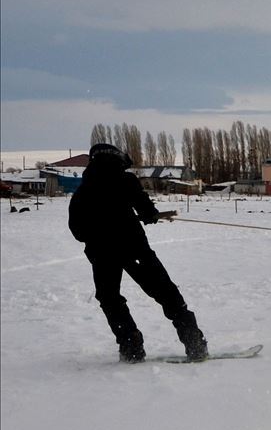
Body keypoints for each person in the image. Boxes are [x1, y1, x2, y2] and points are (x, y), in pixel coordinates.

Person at [68, 143, 208, 363]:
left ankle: (131, 346)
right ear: (117, 159)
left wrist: (97, 236)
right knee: (166, 294)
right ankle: (195, 344)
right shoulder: (126, 180)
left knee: (110, 299)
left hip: (102, 254)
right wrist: (149, 215)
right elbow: (146, 210)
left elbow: (76, 230)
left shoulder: (83, 190)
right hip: (134, 248)